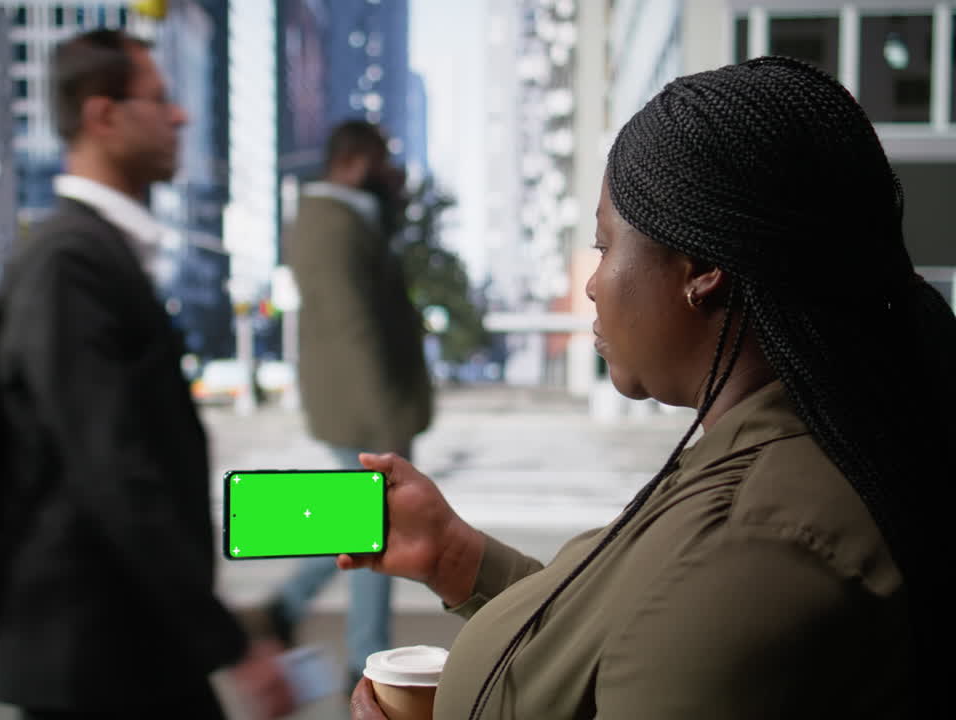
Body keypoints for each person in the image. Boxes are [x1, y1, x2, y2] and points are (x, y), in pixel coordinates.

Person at [343, 56, 956, 719]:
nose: (592, 283)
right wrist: (457, 557)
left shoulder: (750, 559)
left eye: (605, 246)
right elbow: (621, 634)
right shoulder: (777, 446)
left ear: (703, 269)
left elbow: (680, 627)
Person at [0, 29, 292, 720]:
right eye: (159, 100)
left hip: (129, 642)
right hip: (92, 657)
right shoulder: (72, 266)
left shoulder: (97, 255)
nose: (179, 116)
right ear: (103, 115)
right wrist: (233, 645)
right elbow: (115, 471)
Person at [249, 121, 433, 692]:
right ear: (355, 163)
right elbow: (354, 327)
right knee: (375, 525)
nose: (390, 175)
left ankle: (287, 609)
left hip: (360, 401)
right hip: (360, 406)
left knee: (358, 518)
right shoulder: (331, 225)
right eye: (382, 162)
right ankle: (365, 656)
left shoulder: (347, 217)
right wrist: (386, 424)